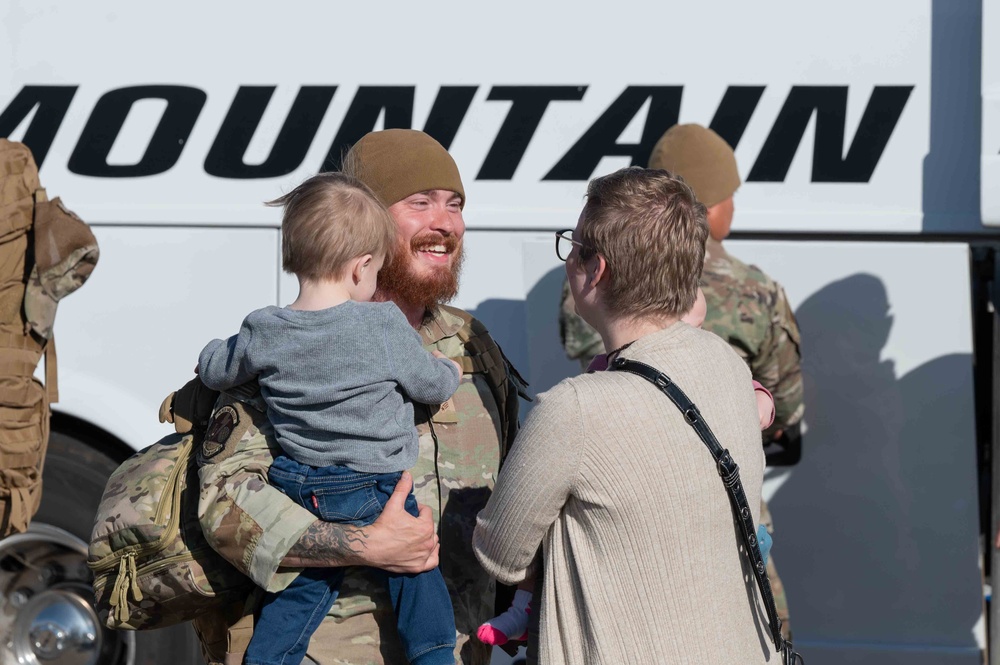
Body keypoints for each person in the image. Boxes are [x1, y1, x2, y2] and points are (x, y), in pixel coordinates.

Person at [178, 129, 525, 665]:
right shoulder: (287, 344)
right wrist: (364, 546)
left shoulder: (472, 344)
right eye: (421, 202)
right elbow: (223, 509)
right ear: (367, 224)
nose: (446, 223)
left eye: (455, 204)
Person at [475, 167, 774, 664]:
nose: (569, 258)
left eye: (574, 245)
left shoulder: (575, 409)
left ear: (598, 270)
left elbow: (499, 553)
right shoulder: (727, 365)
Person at [556, 124, 802, 637]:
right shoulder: (756, 292)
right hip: (730, 507)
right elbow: (789, 406)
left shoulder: (592, 271)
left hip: (614, 497)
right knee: (761, 629)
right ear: (711, 205)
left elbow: (581, 353)